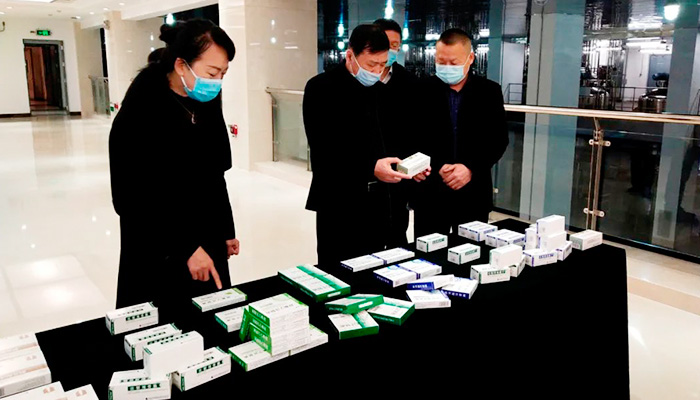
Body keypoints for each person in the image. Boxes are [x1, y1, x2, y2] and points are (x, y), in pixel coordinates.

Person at [109, 19, 240, 308]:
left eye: (223, 73)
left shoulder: (206, 104)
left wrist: (226, 229)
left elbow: (215, 175)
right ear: (181, 65)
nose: (217, 81)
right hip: (158, 242)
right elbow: (132, 198)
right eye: (212, 72)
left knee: (211, 315)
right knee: (167, 317)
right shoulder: (141, 110)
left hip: (206, 233)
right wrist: (186, 248)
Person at [303, 24, 412, 266]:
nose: (377, 71)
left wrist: (407, 164)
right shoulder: (321, 88)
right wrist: (370, 167)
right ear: (350, 55)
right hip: (339, 202)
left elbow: (390, 139)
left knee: (378, 268)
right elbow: (324, 150)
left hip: (380, 202)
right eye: (371, 64)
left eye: (382, 64)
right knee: (340, 268)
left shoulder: (379, 90)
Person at [413, 28, 508, 237]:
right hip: (430, 192)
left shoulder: (489, 91)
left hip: (473, 192)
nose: (447, 67)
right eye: (441, 61)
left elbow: (498, 139)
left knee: (471, 251)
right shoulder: (421, 90)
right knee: (428, 252)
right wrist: (435, 166)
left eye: (453, 63)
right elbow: (412, 136)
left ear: (470, 58)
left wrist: (470, 168)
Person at [373, 18, 427, 247]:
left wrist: (415, 164)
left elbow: (417, 129)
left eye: (395, 45)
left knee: (396, 235)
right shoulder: (359, 80)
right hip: (366, 178)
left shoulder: (409, 82)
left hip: (398, 176)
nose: (390, 50)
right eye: (385, 44)